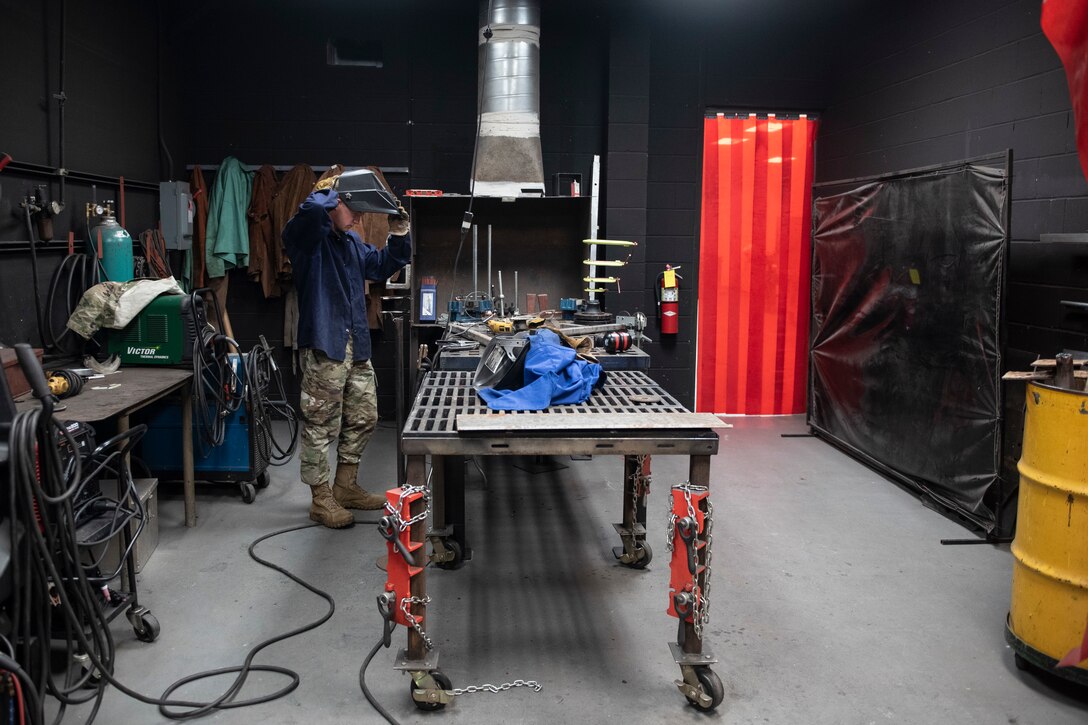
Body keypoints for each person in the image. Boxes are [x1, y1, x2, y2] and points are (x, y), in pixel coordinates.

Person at [282, 171, 411, 528]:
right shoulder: (306, 241)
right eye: (351, 207)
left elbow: (385, 264)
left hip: (356, 346)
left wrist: (399, 231)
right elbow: (310, 212)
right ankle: (320, 499)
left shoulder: (352, 244)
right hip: (326, 345)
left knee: (364, 415)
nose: (358, 216)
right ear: (332, 204)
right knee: (320, 425)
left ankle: (345, 485)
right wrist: (333, 190)